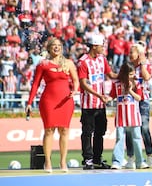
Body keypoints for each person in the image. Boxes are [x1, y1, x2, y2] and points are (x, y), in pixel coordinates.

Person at [26, 37, 79, 173]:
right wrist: (29, 102)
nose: (56, 47)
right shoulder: (43, 64)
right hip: (49, 100)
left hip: (65, 101)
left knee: (64, 130)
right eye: (53, 45)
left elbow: (76, 80)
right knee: (49, 130)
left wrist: (74, 90)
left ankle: (62, 162)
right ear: (49, 48)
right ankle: (48, 162)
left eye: (59, 45)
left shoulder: (69, 63)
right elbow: (35, 84)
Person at [77, 34, 117, 170]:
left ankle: (97, 159)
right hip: (89, 104)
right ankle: (87, 159)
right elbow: (83, 83)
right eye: (101, 46)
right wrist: (98, 95)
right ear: (94, 46)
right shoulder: (83, 61)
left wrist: (124, 74)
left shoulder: (102, 59)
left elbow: (111, 75)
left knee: (100, 131)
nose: (103, 48)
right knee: (87, 132)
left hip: (101, 103)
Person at [110, 63, 149, 170]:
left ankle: (140, 161)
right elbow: (112, 95)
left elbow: (139, 98)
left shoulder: (137, 83)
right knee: (119, 138)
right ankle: (117, 161)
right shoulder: (117, 84)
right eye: (130, 74)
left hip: (134, 115)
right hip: (121, 115)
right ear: (124, 74)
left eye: (133, 74)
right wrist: (106, 98)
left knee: (137, 137)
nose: (132, 76)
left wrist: (130, 90)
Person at [125, 42, 152, 168]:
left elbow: (147, 77)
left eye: (132, 52)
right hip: (130, 101)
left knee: (144, 127)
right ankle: (131, 158)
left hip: (143, 100)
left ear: (139, 54)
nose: (129, 55)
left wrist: (142, 64)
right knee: (129, 129)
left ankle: (149, 156)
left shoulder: (147, 64)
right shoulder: (128, 67)